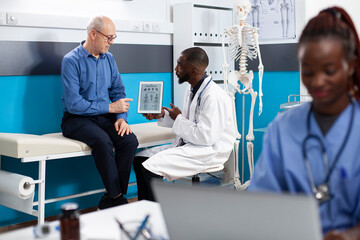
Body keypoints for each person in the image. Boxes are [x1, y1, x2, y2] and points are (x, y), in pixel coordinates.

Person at [248, 7, 360, 239]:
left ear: (350, 65)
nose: (317, 82)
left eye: (329, 71)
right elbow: (263, 204)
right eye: (308, 71)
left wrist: (348, 236)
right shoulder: (282, 129)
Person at [134, 47, 236, 201]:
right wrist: (165, 115)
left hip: (208, 151)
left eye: (180, 65)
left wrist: (178, 118)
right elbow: (190, 123)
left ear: (194, 71)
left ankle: (156, 217)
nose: (176, 69)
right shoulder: (192, 88)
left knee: (148, 169)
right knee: (139, 159)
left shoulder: (214, 96)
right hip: (191, 145)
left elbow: (206, 137)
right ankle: (152, 208)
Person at [61, 16, 138, 210]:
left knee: (129, 140)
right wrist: (111, 108)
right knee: (103, 142)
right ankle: (118, 199)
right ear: (93, 34)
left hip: (104, 117)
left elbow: (118, 92)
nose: (111, 42)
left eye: (114, 37)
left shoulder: (109, 59)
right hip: (76, 119)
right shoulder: (71, 60)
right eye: (108, 38)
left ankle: (111, 198)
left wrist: (121, 118)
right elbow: (74, 104)